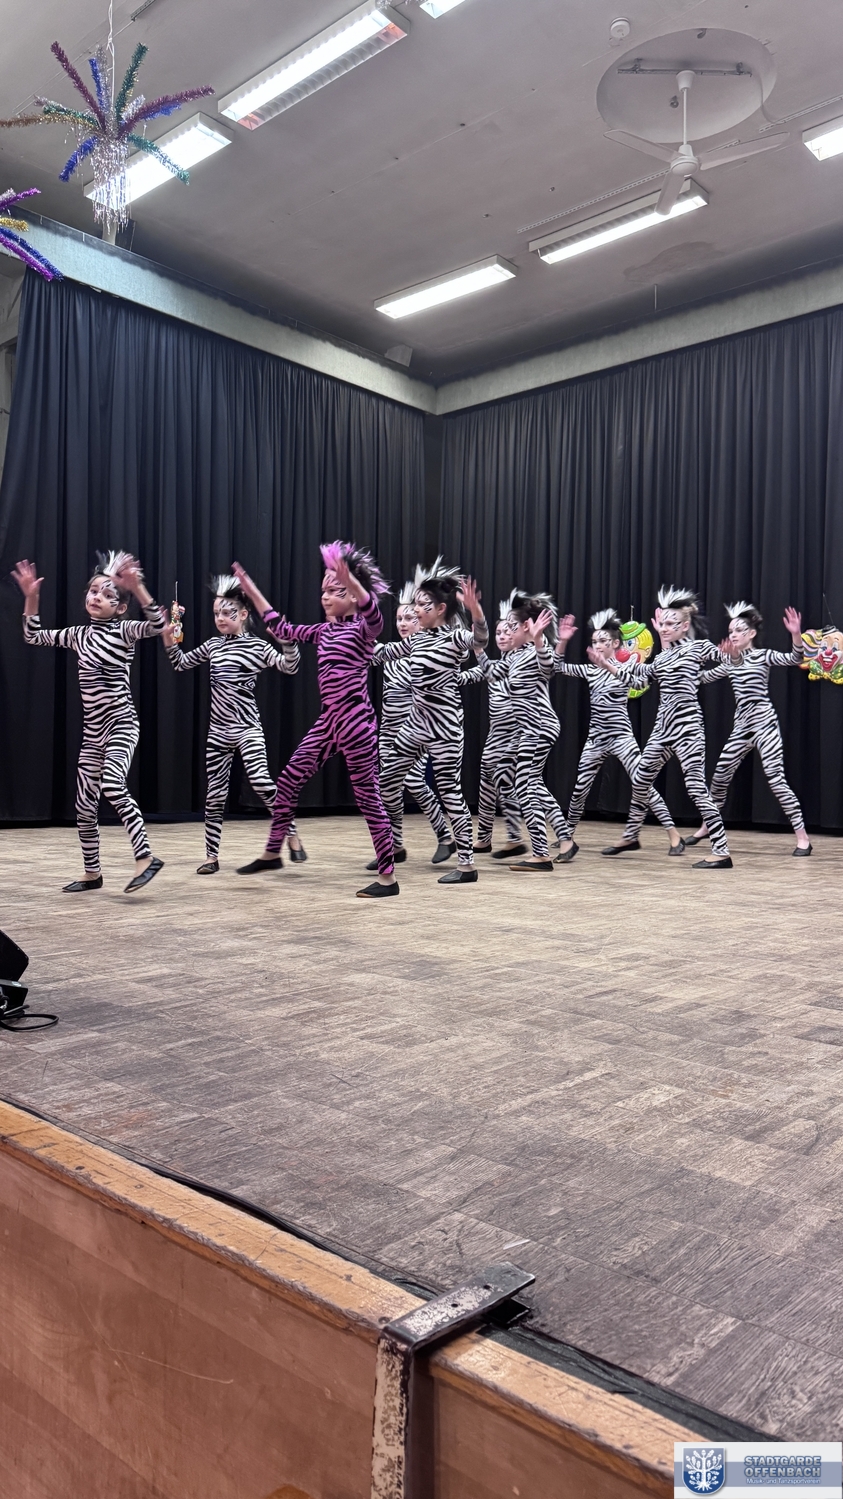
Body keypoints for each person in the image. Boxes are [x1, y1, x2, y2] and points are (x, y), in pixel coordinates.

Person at [230, 543, 398, 898]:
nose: (325, 597)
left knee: (368, 797)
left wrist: (349, 579)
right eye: (323, 591)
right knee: (288, 781)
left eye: (334, 591)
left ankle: (388, 878)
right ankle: (273, 852)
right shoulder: (322, 632)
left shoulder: (363, 630)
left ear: (351, 596)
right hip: (329, 722)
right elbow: (280, 626)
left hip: (356, 722)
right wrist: (251, 589)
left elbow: (373, 613)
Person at [12, 551, 166, 892]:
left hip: (122, 725)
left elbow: (158, 626)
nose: (96, 596)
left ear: (120, 607)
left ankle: (146, 857)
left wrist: (137, 588)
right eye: (93, 591)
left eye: (106, 594)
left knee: (112, 784)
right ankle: (92, 873)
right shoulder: (78, 634)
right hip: (93, 734)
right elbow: (33, 635)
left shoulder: (125, 630)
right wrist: (32, 598)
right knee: (84, 805)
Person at [162, 574, 306, 874]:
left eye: (227, 612)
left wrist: (288, 643)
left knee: (261, 781)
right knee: (214, 795)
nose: (220, 618)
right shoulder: (213, 645)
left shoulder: (257, 647)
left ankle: (290, 830)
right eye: (216, 613)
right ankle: (211, 857)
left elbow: (290, 667)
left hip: (247, 728)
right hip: (218, 731)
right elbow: (180, 663)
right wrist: (171, 635)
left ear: (243, 614)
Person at [595, 586, 733, 869]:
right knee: (641, 779)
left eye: (672, 624)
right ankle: (631, 836)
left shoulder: (698, 648)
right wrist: (611, 667)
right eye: (663, 623)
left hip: (688, 728)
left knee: (696, 788)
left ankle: (722, 851)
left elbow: (730, 660)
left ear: (684, 625)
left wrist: (734, 655)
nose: (666, 628)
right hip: (662, 730)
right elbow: (641, 679)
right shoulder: (662, 657)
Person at [378, 558, 488, 885]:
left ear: (440, 609)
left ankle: (466, 865)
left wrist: (476, 611)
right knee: (387, 781)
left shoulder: (454, 638)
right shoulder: (417, 640)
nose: (415, 610)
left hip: (445, 728)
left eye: (422, 604)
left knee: (449, 790)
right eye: (415, 603)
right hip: (416, 725)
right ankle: (393, 846)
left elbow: (480, 640)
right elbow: (382, 653)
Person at [553, 608, 684, 853]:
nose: (597, 645)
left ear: (615, 643)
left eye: (602, 641)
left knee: (642, 784)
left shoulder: (626, 668)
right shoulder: (590, 671)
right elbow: (557, 666)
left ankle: (674, 834)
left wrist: (610, 667)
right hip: (596, 739)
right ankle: (567, 835)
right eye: (594, 641)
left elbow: (640, 682)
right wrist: (563, 640)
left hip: (621, 738)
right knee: (580, 788)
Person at [687, 601, 810, 856]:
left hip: (764, 723)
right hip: (742, 726)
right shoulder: (730, 661)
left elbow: (795, 658)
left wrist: (796, 634)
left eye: (739, 630)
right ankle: (707, 826)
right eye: (730, 631)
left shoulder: (763, 656)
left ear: (751, 633)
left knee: (775, 779)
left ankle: (803, 838)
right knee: (719, 777)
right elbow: (702, 679)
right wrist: (689, 661)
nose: (733, 635)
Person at [481, 593, 575, 871]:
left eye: (512, 627)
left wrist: (541, 639)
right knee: (509, 776)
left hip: (540, 728)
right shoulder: (515, 657)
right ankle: (553, 843)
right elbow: (491, 672)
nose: (507, 632)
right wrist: (476, 646)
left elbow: (549, 668)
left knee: (526, 784)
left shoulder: (534, 650)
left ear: (526, 627)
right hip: (527, 731)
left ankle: (541, 854)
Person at [366, 577, 454, 870]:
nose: (403, 624)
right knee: (387, 787)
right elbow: (370, 651)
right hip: (388, 732)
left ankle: (445, 836)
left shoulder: (424, 653)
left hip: (416, 731)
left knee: (414, 781)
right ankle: (395, 845)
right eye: (399, 619)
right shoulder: (392, 653)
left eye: (409, 618)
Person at [461, 594, 525, 858]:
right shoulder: (494, 666)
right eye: (498, 632)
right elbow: (467, 676)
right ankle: (484, 838)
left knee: (504, 778)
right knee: (487, 782)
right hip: (495, 734)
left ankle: (515, 838)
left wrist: (478, 651)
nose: (502, 636)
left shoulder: (521, 662)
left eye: (507, 631)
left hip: (517, 733)